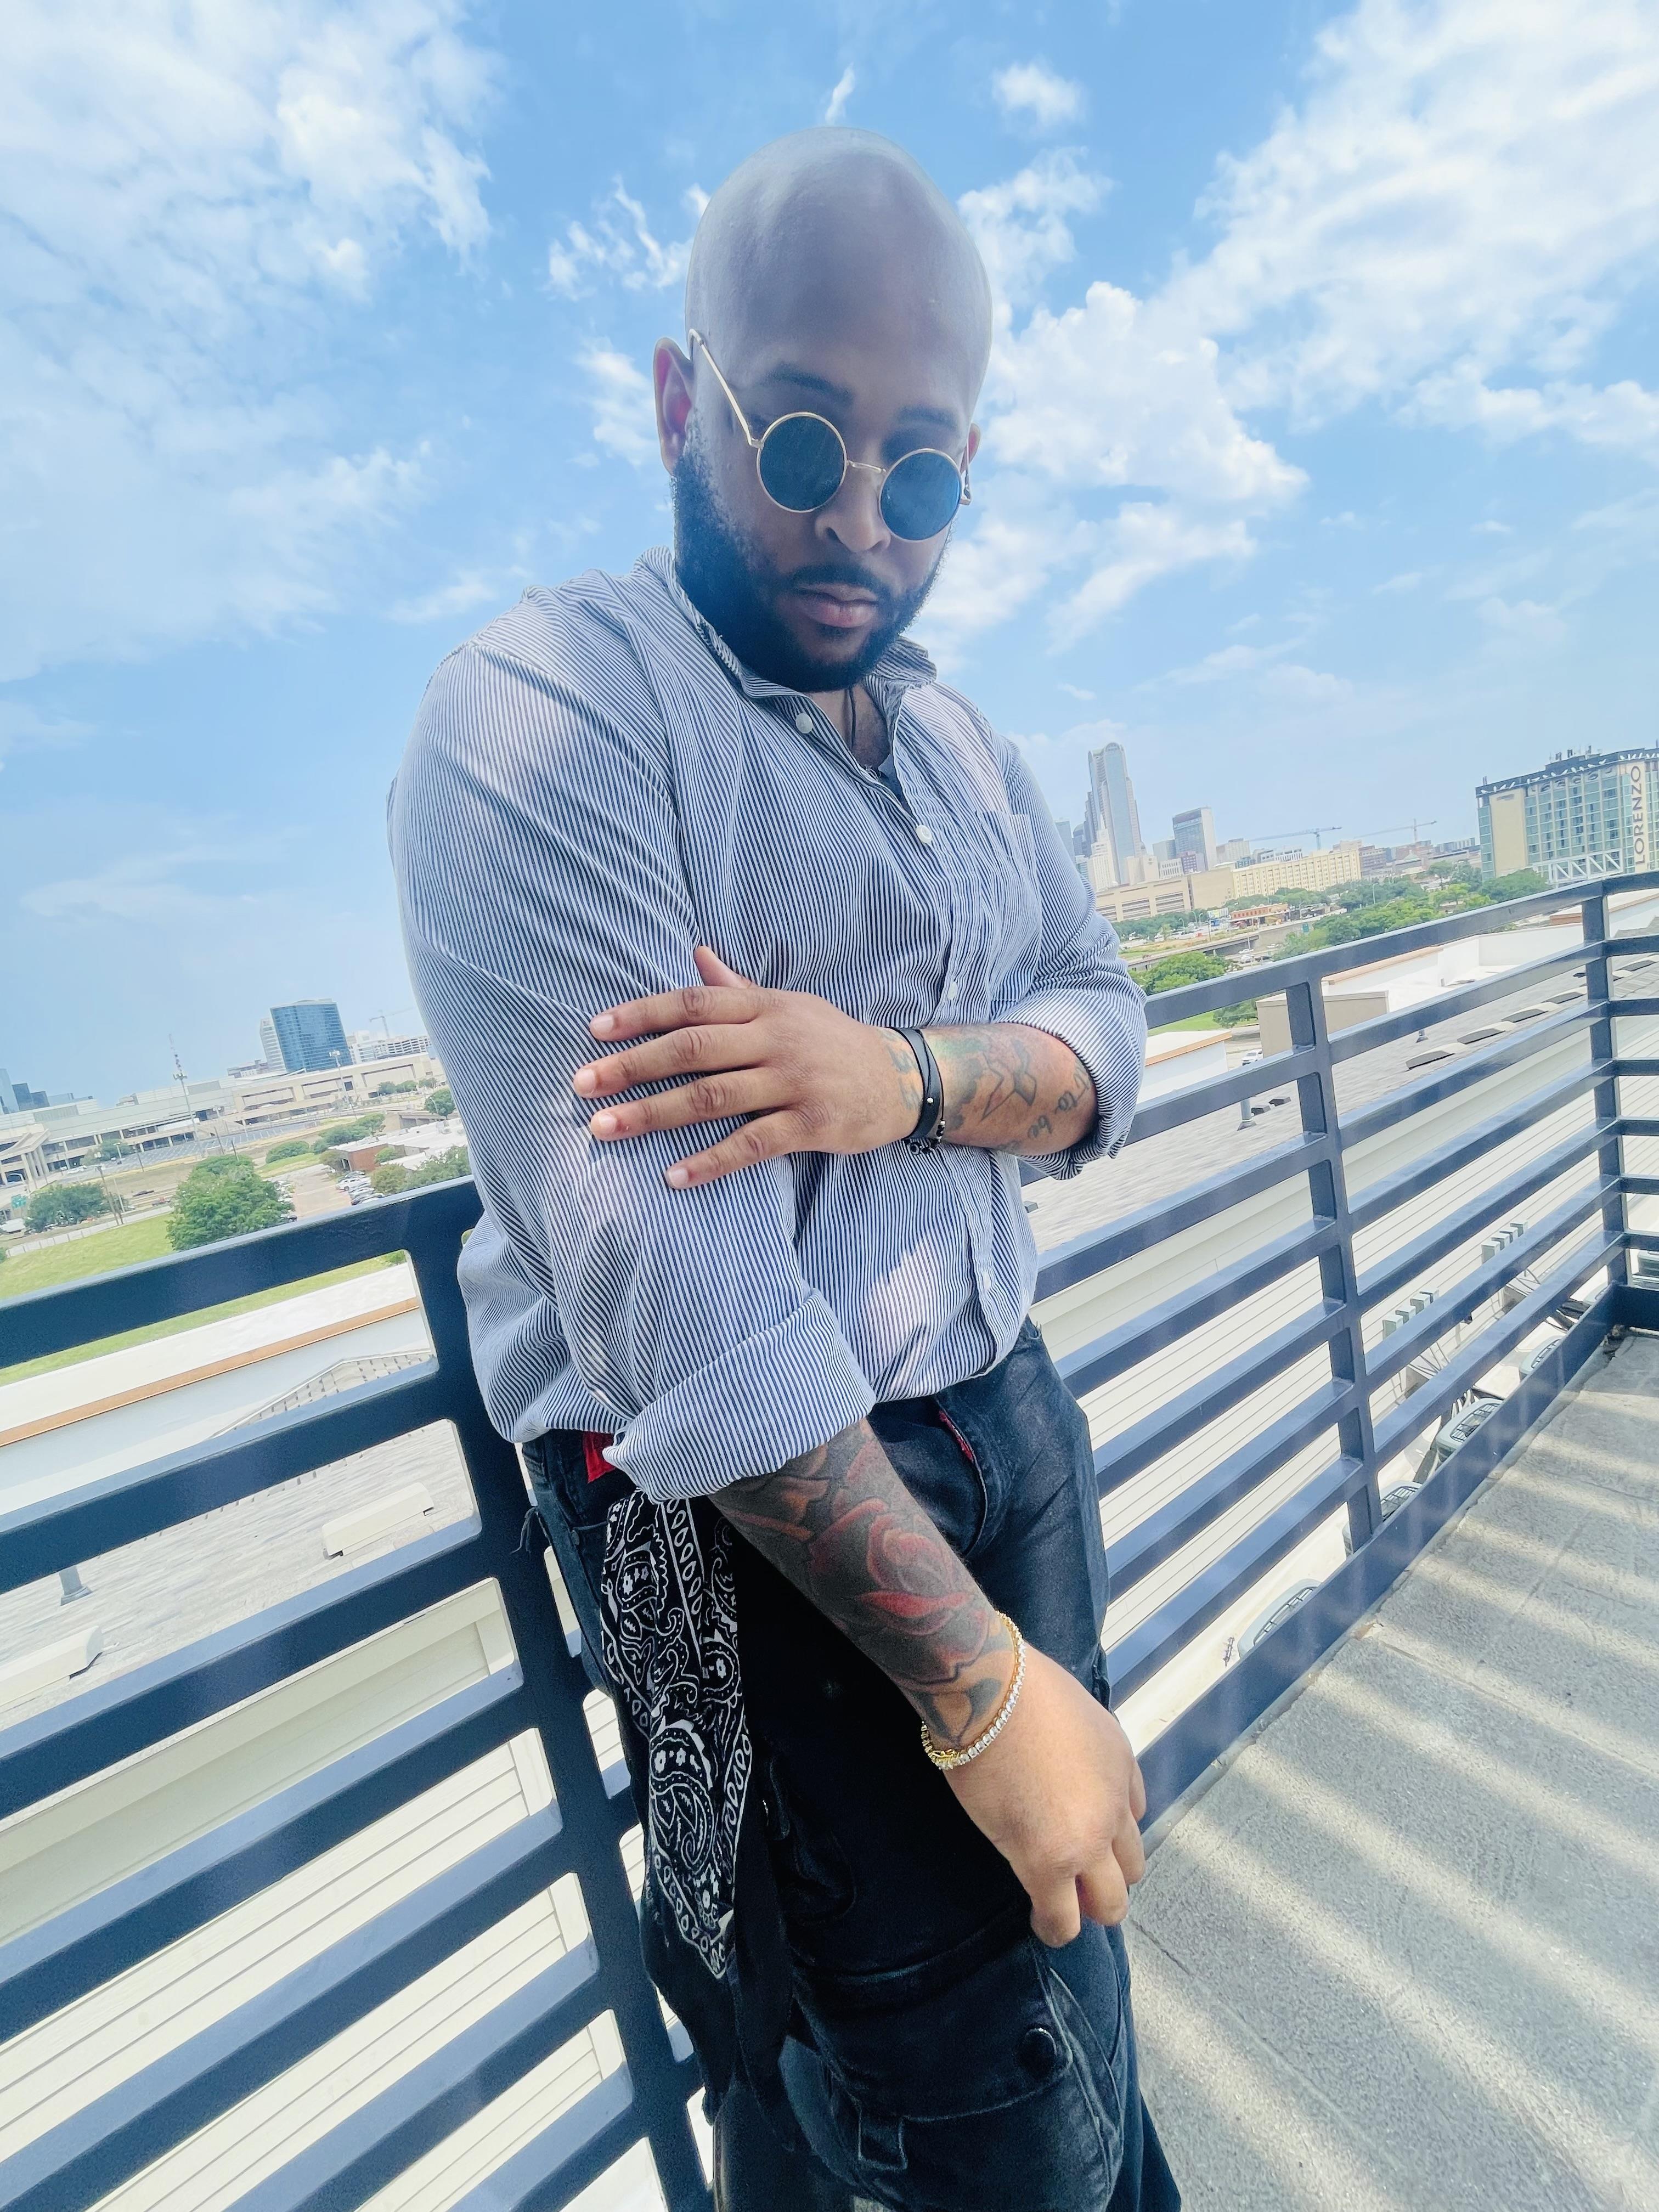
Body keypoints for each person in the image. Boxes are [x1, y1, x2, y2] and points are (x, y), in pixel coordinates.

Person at [392, 127, 1178, 2212]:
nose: (860, 519)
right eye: (805, 433)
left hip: (1004, 1418)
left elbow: (1113, 1042)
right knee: (949, 2100)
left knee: (1071, 2003)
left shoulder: (958, 746)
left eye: (922, 472)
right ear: (684, 398)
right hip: (749, 1531)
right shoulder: (547, 716)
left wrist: (894, 1078)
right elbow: (692, 1311)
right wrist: (982, 1684)